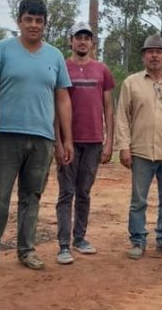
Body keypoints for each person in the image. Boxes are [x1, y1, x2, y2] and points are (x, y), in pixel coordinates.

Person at [0, 0, 73, 278]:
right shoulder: (0, 50)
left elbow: (62, 97)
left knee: (32, 196)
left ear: (45, 24)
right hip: (5, 136)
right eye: (28, 19)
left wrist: (66, 139)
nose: (33, 25)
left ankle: (27, 250)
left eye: (39, 21)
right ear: (19, 20)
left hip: (42, 139)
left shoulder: (54, 56)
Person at [115, 34, 162, 260]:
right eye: (149, 52)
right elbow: (122, 118)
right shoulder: (131, 83)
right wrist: (124, 147)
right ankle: (138, 241)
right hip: (141, 151)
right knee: (139, 200)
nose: (154, 55)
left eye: (159, 52)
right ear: (144, 56)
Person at [54, 22, 115, 265]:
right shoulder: (62, 68)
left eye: (86, 38)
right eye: (78, 37)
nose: (82, 42)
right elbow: (56, 107)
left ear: (92, 43)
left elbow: (108, 106)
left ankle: (80, 238)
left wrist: (109, 141)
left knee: (84, 193)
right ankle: (63, 245)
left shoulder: (102, 70)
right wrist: (58, 142)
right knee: (66, 193)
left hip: (93, 142)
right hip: (69, 142)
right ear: (70, 41)